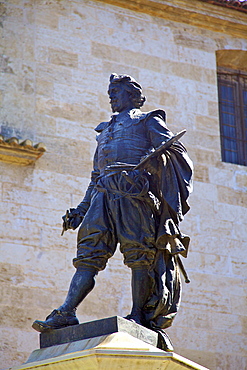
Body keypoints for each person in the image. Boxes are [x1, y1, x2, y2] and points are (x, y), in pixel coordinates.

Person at [32, 74, 193, 351]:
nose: (111, 96)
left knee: (139, 255)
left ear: (133, 96)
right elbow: (95, 176)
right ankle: (66, 311)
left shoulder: (147, 120)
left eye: (116, 92)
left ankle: (139, 315)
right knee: (88, 254)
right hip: (103, 196)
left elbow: (175, 150)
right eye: (109, 92)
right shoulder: (104, 130)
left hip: (135, 195)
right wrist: (81, 210)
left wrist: (157, 158)